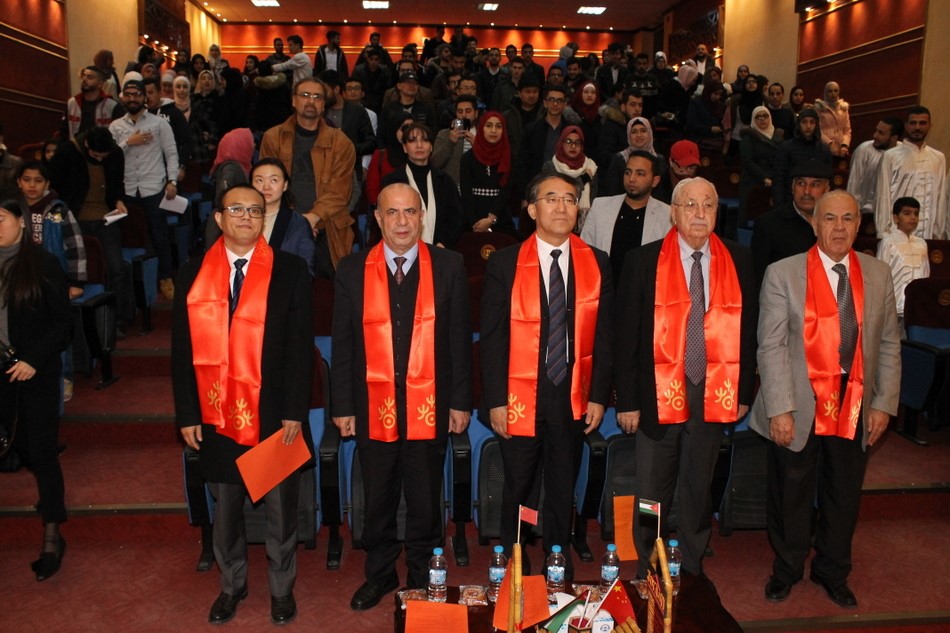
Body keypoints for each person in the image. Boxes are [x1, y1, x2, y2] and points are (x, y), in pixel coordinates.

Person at [750, 189, 900, 608]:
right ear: (814, 224)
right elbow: (771, 346)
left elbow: (889, 342)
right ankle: (787, 569)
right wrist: (780, 408)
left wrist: (883, 403)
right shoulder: (783, 273)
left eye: (847, 219)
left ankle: (832, 570)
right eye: (829, 218)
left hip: (855, 402)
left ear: (858, 225)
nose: (838, 227)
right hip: (799, 402)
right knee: (791, 492)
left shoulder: (878, 274)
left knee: (844, 493)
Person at [172, 184, 313, 625]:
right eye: (237, 209)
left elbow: (300, 349)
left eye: (255, 210)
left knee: (280, 512)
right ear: (218, 218)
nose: (247, 217)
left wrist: (295, 410)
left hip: (274, 415)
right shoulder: (193, 274)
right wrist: (188, 413)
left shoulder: (290, 270)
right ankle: (232, 585)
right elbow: (181, 351)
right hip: (216, 416)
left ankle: (281, 589)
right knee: (227, 512)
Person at [332, 182, 471, 610]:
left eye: (410, 211)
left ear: (422, 217)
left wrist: (460, 401)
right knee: (378, 497)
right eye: (392, 212)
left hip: (430, 405)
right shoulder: (352, 269)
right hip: (371, 406)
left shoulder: (448, 265)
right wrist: (342, 406)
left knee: (426, 498)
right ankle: (380, 573)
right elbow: (343, 344)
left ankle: (421, 576)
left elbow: (459, 340)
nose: (402, 221)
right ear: (377, 219)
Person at [614, 176, 756, 578]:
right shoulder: (642, 261)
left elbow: (748, 331)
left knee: (698, 485)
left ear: (717, 212)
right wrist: (627, 401)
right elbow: (626, 337)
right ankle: (647, 561)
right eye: (690, 205)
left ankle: (692, 562)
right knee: (651, 491)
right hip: (655, 395)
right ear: (673, 213)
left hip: (713, 392)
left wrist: (743, 392)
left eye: (708, 205)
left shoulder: (739, 259)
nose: (699, 213)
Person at [481, 172, 613, 583]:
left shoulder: (597, 261)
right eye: (551, 198)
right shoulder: (505, 262)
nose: (561, 207)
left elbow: (606, 336)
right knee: (519, 484)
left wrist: (598, 395)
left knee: (561, 483)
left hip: (572, 392)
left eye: (570, 200)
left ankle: (558, 560)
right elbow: (492, 338)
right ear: (533, 209)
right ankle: (515, 558)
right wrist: (496, 400)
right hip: (519, 392)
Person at [0, 197, 73, 582]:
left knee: (40, 451)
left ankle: (52, 535)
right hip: (1, 374)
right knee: (17, 449)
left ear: (21, 221)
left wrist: (33, 359)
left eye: (0, 218)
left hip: (35, 372)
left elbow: (63, 324)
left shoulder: (42, 264)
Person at [260, 77, 356, 267]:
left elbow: (340, 192)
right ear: (293, 101)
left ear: (324, 105)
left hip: (328, 226)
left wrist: (312, 218)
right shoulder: (273, 138)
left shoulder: (341, 143)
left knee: (330, 284)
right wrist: (295, 222)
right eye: (305, 95)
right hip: (283, 223)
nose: (311, 101)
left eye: (317, 97)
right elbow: (266, 185)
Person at [109, 78, 180, 300]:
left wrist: (172, 181)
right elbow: (110, 158)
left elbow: (171, 153)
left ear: (144, 97)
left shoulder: (159, 123)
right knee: (127, 235)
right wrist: (129, 142)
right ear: (123, 97)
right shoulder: (115, 126)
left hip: (154, 186)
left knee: (159, 235)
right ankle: (131, 283)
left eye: (137, 94)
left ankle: (165, 277)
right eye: (128, 94)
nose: (133, 99)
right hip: (127, 190)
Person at [582, 150, 671, 282]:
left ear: (655, 181)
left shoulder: (666, 215)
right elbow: (584, 252)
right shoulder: (600, 207)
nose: (632, 179)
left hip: (644, 290)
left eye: (640, 173)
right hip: (603, 287)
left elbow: (667, 263)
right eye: (628, 172)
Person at [380, 122, 463, 247]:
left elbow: (456, 218)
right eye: (413, 140)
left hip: (440, 249)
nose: (419, 145)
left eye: (425, 140)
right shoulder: (392, 181)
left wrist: (442, 243)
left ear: (431, 147)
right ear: (404, 147)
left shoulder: (444, 181)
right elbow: (386, 217)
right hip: (402, 248)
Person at [752, 160, 831, 286]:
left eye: (815, 185)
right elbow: (758, 278)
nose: (807, 191)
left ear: (826, 190)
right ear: (792, 188)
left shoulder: (836, 224)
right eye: (801, 183)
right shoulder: (768, 225)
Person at [16, 162, 87, 299]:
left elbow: (76, 246)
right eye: (26, 180)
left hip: (52, 275)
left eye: (38, 181)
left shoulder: (59, 210)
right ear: (18, 182)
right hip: (18, 274)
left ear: (47, 184)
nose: (32, 185)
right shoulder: (11, 209)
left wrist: (76, 282)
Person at [875, 106, 947, 239]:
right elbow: (882, 196)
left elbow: (941, 198)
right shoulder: (890, 156)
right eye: (913, 123)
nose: (917, 127)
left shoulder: (938, 158)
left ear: (930, 125)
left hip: (928, 233)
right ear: (906, 125)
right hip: (896, 234)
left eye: (922, 123)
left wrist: (939, 233)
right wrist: (883, 232)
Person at [876, 197, 930, 327]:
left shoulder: (921, 244)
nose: (913, 217)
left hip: (916, 305)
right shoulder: (888, 242)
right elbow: (880, 276)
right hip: (894, 305)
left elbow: (925, 273)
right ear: (896, 218)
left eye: (916, 214)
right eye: (907, 213)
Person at [458, 111, 513, 233]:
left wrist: (491, 219)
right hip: (472, 220)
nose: (493, 130)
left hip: (501, 217)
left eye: (498, 126)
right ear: (481, 128)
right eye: (488, 126)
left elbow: (506, 191)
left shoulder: (508, 156)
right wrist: (475, 224)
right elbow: (466, 193)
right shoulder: (468, 158)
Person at [771, 107, 832, 207]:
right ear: (798, 124)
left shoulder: (824, 149)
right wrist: (780, 206)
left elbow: (828, 180)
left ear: (816, 125)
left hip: (817, 203)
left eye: (812, 122)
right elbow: (779, 179)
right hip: (790, 202)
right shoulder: (786, 148)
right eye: (804, 122)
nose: (808, 126)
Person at [542, 126, 598, 232]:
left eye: (577, 142)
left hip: (584, 225)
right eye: (568, 141)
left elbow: (593, 198)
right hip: (556, 218)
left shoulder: (591, 167)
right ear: (561, 143)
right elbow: (558, 193)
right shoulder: (551, 166)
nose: (573, 146)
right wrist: (583, 180)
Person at [846, 117, 902, 217]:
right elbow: (853, 184)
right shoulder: (864, 150)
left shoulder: (903, 154)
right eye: (876, 130)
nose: (875, 135)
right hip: (865, 213)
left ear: (894, 138)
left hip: (892, 214)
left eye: (881, 133)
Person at [739, 105, 783, 229]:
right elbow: (748, 162)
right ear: (753, 120)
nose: (762, 119)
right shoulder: (748, 137)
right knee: (751, 213)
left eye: (765, 116)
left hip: (775, 180)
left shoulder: (779, 136)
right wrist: (764, 178)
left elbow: (784, 158)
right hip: (753, 180)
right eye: (758, 117)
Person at [602, 116, 662, 197]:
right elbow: (612, 191)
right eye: (634, 132)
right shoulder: (620, 159)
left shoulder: (659, 159)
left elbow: (661, 192)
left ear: (650, 133)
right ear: (628, 135)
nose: (639, 135)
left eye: (643, 131)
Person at [813, 81, 851, 158]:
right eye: (830, 91)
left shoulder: (843, 108)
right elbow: (817, 129)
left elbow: (847, 130)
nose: (833, 93)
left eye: (835, 91)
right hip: (824, 148)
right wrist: (829, 144)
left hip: (841, 149)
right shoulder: (820, 108)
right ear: (825, 93)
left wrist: (845, 145)